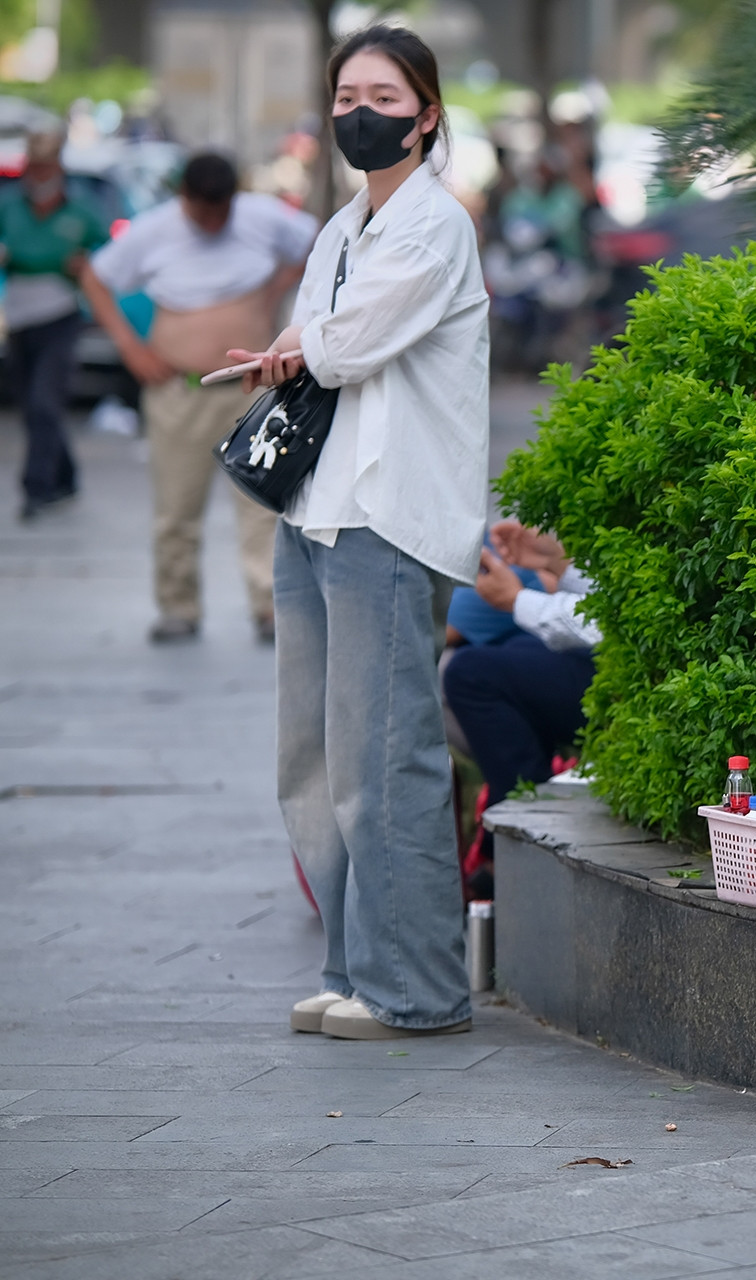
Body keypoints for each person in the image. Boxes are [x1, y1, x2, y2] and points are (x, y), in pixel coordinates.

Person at [228, 25, 489, 1041]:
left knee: (387, 759)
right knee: (317, 761)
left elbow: (348, 345)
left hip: (388, 517)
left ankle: (416, 986)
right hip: (315, 509)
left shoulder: (437, 226)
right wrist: (294, 349)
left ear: (426, 114)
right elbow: (316, 344)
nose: (358, 114)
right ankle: (352, 966)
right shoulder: (343, 228)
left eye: (382, 96)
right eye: (345, 97)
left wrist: (299, 348)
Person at [80, 153, 317, 644]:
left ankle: (269, 604)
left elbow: (317, 240)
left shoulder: (259, 215)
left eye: (220, 211)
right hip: (179, 389)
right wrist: (131, 348)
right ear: (184, 198)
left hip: (253, 389)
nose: (212, 222)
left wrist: (274, 289)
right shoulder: (154, 229)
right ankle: (178, 605)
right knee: (176, 508)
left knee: (262, 504)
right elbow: (94, 278)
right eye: (202, 212)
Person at [443, 520, 599, 894]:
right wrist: (558, 562)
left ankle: (527, 830)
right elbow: (613, 601)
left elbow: (616, 618)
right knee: (493, 667)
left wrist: (518, 600)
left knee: (468, 673)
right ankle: (510, 836)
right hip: (597, 648)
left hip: (625, 666)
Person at [2, 130, 109, 520]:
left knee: (45, 403)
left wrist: (85, 266)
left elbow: (106, 252)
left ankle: (37, 488)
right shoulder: (10, 206)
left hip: (61, 315)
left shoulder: (80, 209)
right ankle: (66, 476)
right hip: (19, 315)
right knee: (32, 405)